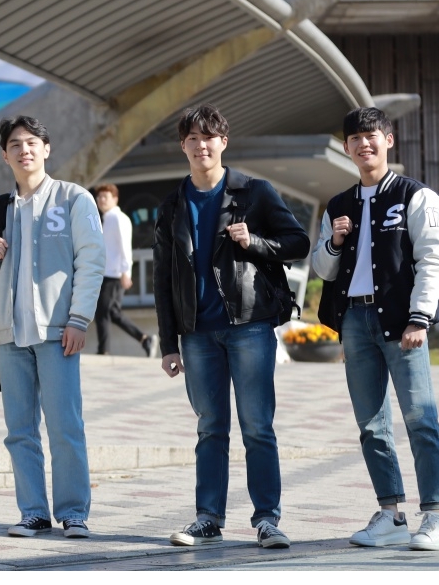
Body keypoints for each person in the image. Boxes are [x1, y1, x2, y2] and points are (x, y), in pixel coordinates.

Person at [153, 104, 308, 550]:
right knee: (210, 428)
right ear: (183, 146)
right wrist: (168, 343)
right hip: (196, 334)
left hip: (250, 327)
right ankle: (208, 519)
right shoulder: (172, 205)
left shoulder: (254, 192)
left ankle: (267, 520)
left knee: (257, 426)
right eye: (192, 138)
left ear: (223, 141)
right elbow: (163, 279)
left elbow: (297, 242)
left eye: (209, 137)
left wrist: (253, 241)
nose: (201, 145)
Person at [310, 107, 439, 551]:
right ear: (347, 147)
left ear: (388, 140)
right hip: (354, 321)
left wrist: (419, 317)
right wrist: (335, 241)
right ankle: (390, 515)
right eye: (355, 138)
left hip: (401, 322)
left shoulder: (417, 196)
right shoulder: (338, 205)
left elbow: (433, 260)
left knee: (420, 418)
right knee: (371, 425)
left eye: (371, 135)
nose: (363, 144)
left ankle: (437, 518)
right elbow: (321, 268)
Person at [0, 115, 105, 540]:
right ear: (4, 155)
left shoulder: (73, 199)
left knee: (65, 426)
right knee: (20, 431)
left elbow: (91, 261)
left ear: (46, 149)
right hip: (8, 335)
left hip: (59, 333)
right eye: (15, 144)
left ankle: (74, 512)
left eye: (31, 143)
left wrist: (79, 319)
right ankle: (33, 512)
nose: (24, 150)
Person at [92, 184, 153, 356]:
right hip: (107, 273)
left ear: (115, 199)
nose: (101, 200)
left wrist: (126, 272)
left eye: (105, 197)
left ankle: (103, 350)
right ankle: (144, 339)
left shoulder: (118, 218)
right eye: (99, 197)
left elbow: (125, 246)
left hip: (115, 274)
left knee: (102, 311)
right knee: (112, 312)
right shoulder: (106, 219)